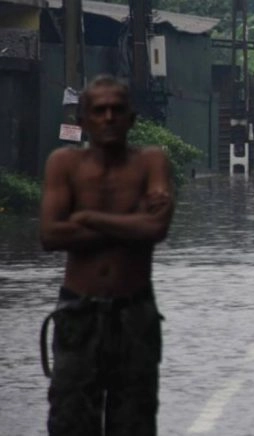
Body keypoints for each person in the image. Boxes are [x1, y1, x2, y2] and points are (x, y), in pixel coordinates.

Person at [38, 74, 174, 436]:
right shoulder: (64, 164)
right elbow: (50, 234)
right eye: (99, 111)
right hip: (79, 313)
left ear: (132, 118)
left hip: (134, 314)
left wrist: (87, 218)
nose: (109, 117)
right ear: (83, 120)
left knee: (134, 422)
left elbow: (156, 229)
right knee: (70, 421)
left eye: (117, 110)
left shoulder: (151, 162)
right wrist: (132, 223)